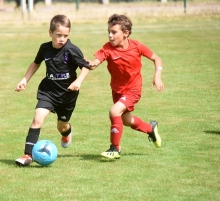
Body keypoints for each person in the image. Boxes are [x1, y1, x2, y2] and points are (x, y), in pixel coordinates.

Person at [15, 14, 90, 166]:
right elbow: (36, 63)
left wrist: (78, 81)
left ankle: (66, 132)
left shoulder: (72, 49)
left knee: (61, 125)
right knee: (37, 119)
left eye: (65, 35)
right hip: (48, 91)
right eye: (58, 35)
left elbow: (85, 66)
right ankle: (27, 156)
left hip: (67, 95)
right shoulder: (45, 48)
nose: (62, 39)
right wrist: (25, 79)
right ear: (50, 33)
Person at [88, 14, 164, 159]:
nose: (110, 35)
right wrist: (86, 62)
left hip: (133, 90)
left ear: (126, 33)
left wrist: (157, 76)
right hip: (117, 90)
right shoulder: (107, 48)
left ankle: (115, 148)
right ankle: (150, 129)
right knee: (126, 120)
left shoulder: (137, 46)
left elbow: (156, 58)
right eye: (109, 32)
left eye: (114, 32)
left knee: (114, 111)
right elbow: (95, 63)